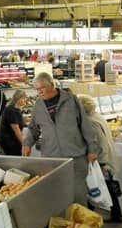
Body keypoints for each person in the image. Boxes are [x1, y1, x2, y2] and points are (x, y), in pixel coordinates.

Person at [22, 73, 99, 205]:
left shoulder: (71, 100)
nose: (39, 92)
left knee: (78, 195)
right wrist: (27, 144)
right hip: (52, 158)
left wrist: (92, 149)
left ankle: (81, 224)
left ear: (52, 85)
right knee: (56, 196)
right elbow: (33, 128)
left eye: (42, 88)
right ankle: (63, 224)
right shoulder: (38, 105)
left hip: (75, 156)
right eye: (36, 89)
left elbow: (85, 126)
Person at [78, 94, 122, 223]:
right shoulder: (97, 116)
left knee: (97, 185)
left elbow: (101, 143)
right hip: (108, 156)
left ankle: (88, 215)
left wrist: (103, 163)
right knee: (105, 186)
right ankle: (116, 215)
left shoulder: (90, 122)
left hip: (102, 159)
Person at [0, 89, 26, 156]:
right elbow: (16, 129)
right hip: (9, 140)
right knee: (16, 158)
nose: (25, 100)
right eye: (24, 98)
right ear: (18, 99)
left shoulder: (16, 109)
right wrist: (24, 144)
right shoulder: (11, 110)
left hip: (11, 138)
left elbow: (18, 120)